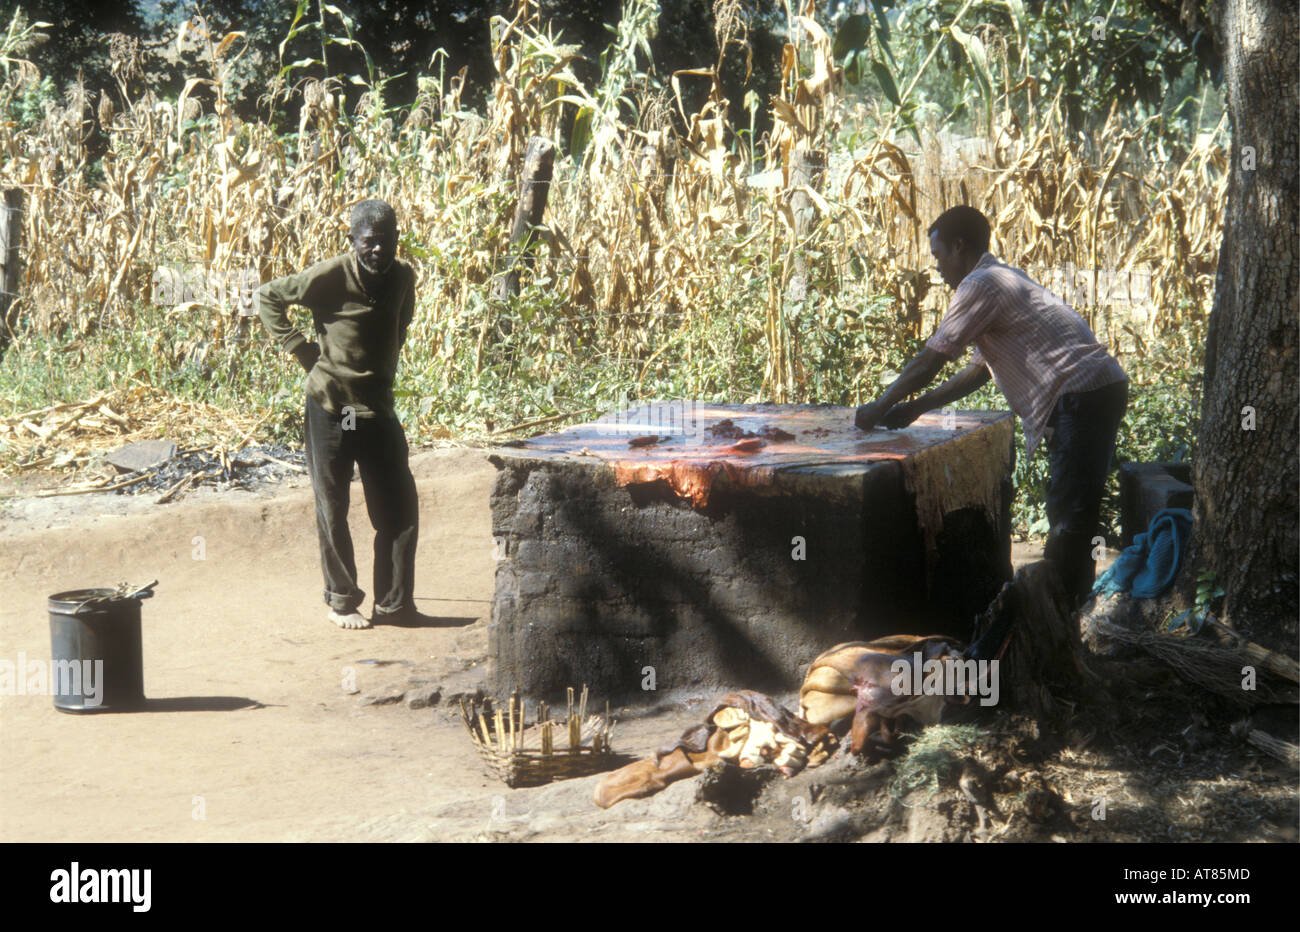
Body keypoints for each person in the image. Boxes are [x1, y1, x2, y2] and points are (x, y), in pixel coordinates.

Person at [854, 205, 1129, 608]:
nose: (938, 269)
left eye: (938, 256)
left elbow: (931, 359)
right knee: (1072, 511)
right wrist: (919, 407)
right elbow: (979, 371)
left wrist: (880, 405)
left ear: (959, 247)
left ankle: (1060, 622)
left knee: (1070, 518)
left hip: (1081, 394)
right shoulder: (1003, 279)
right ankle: (1064, 616)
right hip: (1094, 391)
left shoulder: (979, 284)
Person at [257, 198, 423, 629]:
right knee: (333, 504)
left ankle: (393, 605)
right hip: (334, 408)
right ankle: (342, 601)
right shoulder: (331, 275)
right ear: (352, 241)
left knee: (399, 509)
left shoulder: (403, 276)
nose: (379, 251)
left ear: (396, 240)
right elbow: (269, 297)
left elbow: (401, 325)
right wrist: (304, 352)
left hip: (375, 411)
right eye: (369, 243)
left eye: (386, 242)